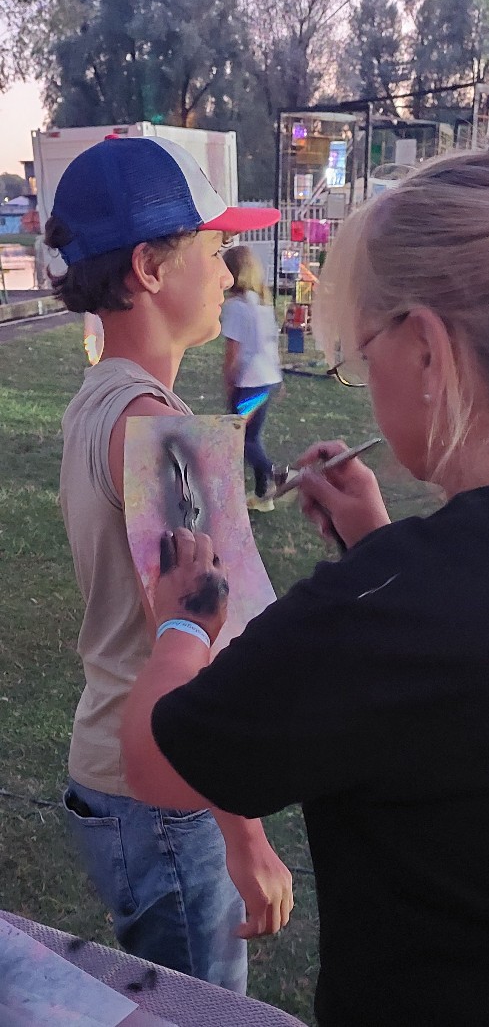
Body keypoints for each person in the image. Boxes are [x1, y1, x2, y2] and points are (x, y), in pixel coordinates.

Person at [121, 125, 489, 1027]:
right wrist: (378, 542)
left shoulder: (393, 617)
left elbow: (157, 755)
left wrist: (185, 623)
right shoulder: (413, 603)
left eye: (363, 345)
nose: (362, 369)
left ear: (426, 348)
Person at [47, 135, 293, 990]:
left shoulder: (101, 397)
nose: (230, 272)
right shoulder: (167, 436)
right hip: (166, 796)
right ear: (151, 266)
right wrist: (246, 835)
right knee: (198, 1012)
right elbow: (193, 653)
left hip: (119, 780)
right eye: (212, 250)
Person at [220, 245, 282, 512]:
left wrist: (229, 383)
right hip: (267, 380)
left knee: (241, 439)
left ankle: (276, 473)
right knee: (252, 437)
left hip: (249, 384)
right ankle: (262, 496)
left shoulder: (235, 307)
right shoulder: (263, 304)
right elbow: (271, 344)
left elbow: (233, 353)